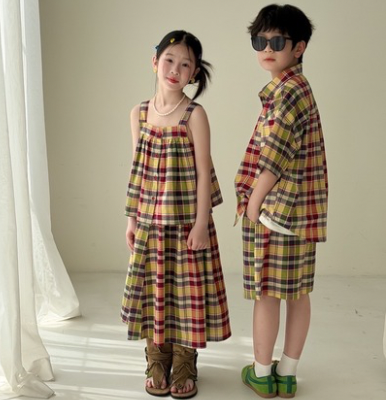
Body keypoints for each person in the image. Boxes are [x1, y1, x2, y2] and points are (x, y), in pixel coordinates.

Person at [121, 30, 231, 399]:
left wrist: (200, 224)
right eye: (169, 60)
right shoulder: (138, 113)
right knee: (154, 291)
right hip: (150, 222)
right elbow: (137, 169)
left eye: (185, 64)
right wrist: (131, 219)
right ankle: (157, 358)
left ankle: (185, 360)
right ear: (155, 62)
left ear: (194, 73)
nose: (175, 69)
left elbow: (202, 172)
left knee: (186, 293)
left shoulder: (194, 114)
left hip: (185, 222)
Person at [234, 4, 328, 398]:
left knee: (268, 294)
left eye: (277, 41)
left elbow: (274, 158)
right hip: (301, 213)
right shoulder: (298, 88)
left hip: (275, 212)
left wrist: (253, 205)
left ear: (299, 47)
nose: (267, 49)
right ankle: (286, 374)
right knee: (298, 293)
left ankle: (261, 373)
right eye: (260, 41)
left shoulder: (286, 93)